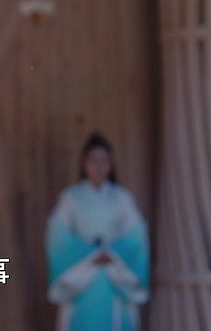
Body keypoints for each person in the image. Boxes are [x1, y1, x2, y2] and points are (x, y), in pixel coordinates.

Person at [45, 132, 149, 331]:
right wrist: (90, 254)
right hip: (81, 275)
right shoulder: (71, 198)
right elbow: (57, 237)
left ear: (111, 164)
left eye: (104, 161)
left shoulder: (122, 198)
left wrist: (113, 254)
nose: (99, 167)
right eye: (93, 160)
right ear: (84, 163)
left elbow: (137, 236)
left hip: (115, 274)